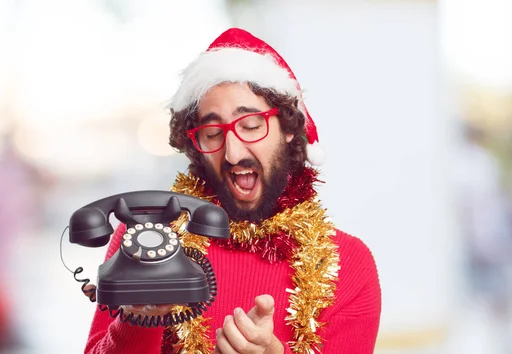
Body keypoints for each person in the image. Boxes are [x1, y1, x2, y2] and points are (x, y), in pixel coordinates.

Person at [84, 28, 381, 354]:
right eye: (212, 132)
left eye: (251, 126)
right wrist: (136, 318)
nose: (233, 153)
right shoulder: (144, 239)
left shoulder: (349, 264)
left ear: (288, 129)